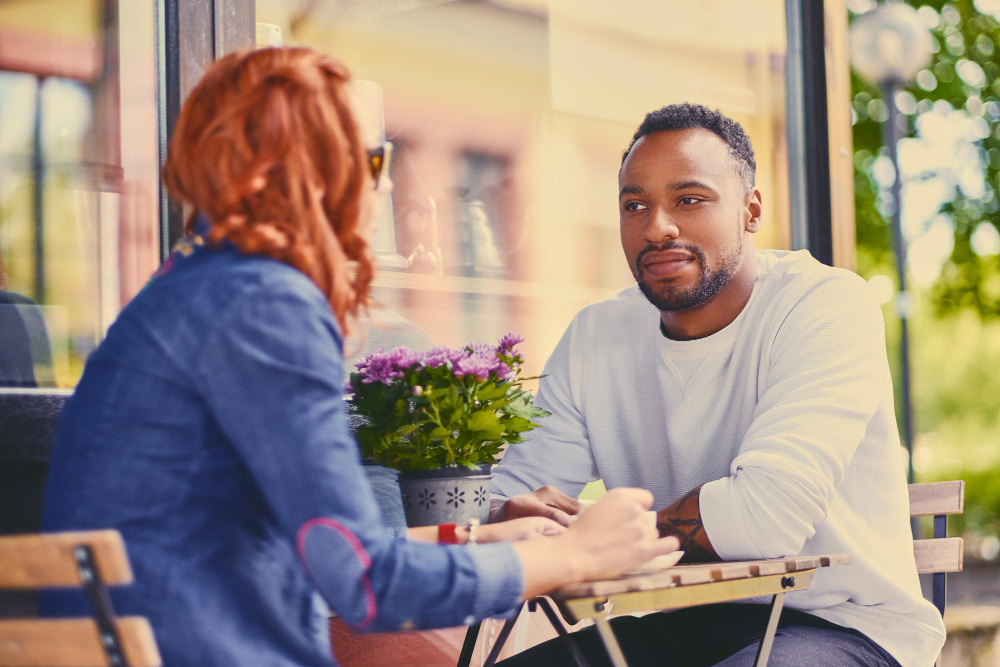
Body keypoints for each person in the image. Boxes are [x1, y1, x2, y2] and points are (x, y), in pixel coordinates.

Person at [40, 47, 679, 666]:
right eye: (374, 160)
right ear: (310, 174)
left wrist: (479, 536)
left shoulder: (186, 293)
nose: (388, 183)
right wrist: (578, 556)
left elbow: (304, 551)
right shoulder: (262, 305)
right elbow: (366, 584)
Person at [491, 104, 946, 666]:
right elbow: (511, 493)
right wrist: (506, 516)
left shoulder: (825, 304)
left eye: (689, 199)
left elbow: (766, 517)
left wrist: (599, 531)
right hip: (684, 623)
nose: (657, 227)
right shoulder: (594, 335)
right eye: (635, 205)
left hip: (848, 626)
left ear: (751, 210)